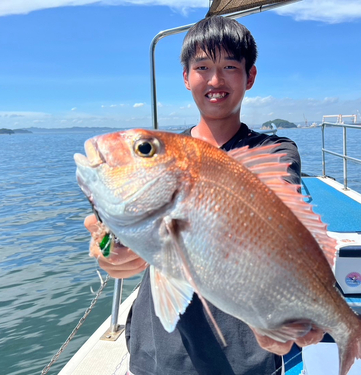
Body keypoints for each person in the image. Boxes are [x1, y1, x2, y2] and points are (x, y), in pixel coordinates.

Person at [84, 16, 323, 375]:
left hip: (245, 354)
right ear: (185, 77)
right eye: (202, 67)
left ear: (250, 77)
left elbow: (282, 221)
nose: (215, 80)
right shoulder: (161, 156)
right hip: (158, 351)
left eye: (229, 66)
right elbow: (108, 234)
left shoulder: (273, 151)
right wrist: (107, 248)